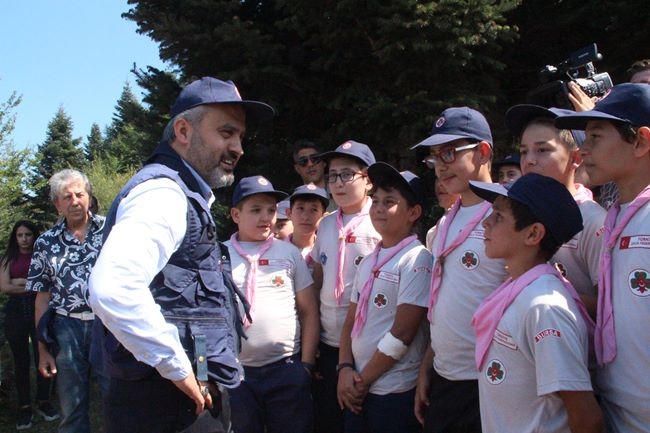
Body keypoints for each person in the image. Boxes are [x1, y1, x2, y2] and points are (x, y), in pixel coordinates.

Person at [88, 76, 275, 433]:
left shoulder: (183, 194)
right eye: (226, 133)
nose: (238, 148)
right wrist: (177, 367)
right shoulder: (163, 194)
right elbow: (112, 288)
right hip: (167, 405)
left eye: (240, 137)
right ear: (184, 131)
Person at [469, 173, 603, 433]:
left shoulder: (544, 307)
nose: (486, 222)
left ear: (533, 233)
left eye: (498, 216)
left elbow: (587, 418)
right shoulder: (518, 291)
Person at [555, 83, 650, 433]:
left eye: (595, 136)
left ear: (640, 142)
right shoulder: (619, 216)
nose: (583, 149)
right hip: (620, 411)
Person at [410, 107, 508, 433]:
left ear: (483, 152)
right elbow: (444, 302)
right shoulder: (442, 225)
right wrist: (428, 364)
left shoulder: (508, 216)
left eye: (449, 153)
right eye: (434, 157)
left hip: (491, 377)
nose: (440, 165)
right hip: (444, 375)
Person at [337, 163, 431, 433]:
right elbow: (350, 321)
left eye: (389, 202)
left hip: (393, 391)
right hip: (357, 384)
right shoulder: (369, 260)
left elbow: (402, 333)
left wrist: (362, 381)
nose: (378, 208)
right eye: (375, 200)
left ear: (413, 212)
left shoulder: (417, 259)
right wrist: (344, 368)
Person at [224, 175, 319, 433]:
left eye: (271, 210)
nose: (265, 217)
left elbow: (309, 311)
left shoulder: (288, 253)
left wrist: (306, 365)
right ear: (236, 215)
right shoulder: (220, 255)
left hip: (286, 369)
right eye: (256, 210)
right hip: (238, 373)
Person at [505, 104, 605, 315]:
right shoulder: (522, 215)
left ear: (575, 158)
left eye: (542, 150)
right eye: (523, 151)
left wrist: (542, 287)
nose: (529, 160)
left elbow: (609, 306)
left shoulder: (593, 221)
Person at [27, 169, 107, 433]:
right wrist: (43, 350)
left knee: (116, 401)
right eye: (67, 197)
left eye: (79, 194)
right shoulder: (45, 243)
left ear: (88, 197)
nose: (75, 201)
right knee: (72, 409)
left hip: (107, 326)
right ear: (57, 205)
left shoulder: (111, 231)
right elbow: (42, 297)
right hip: (66, 329)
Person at [310, 140, 381, 433]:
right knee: (329, 419)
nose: (338, 183)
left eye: (347, 174)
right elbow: (318, 278)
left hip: (367, 344)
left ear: (368, 181)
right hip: (328, 342)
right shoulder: (326, 225)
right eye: (332, 176)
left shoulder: (380, 221)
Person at [1, 220, 59, 430]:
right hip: (16, 312)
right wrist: (32, 284)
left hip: (40, 310)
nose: (24, 239)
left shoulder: (42, 256)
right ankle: (24, 406)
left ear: (34, 236)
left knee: (44, 355)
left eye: (28, 234)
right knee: (21, 361)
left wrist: (19, 282)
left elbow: (49, 284)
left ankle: (44, 401)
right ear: (15, 237)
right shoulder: (8, 258)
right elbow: (5, 286)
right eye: (20, 235)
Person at [285, 183, 330, 274]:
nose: (305, 217)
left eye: (314, 210)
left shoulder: (327, 251)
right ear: (289, 213)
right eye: (300, 208)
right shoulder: (276, 250)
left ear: (323, 217)